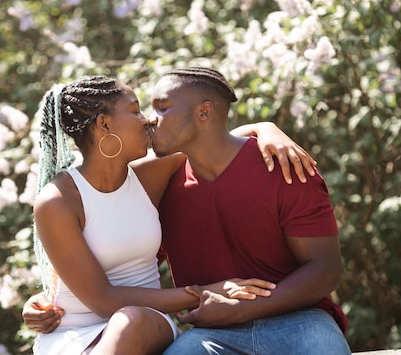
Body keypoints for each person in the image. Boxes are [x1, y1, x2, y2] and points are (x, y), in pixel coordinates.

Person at [26, 74, 316, 355]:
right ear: (104, 124)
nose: (148, 119)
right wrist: (204, 292)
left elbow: (214, 140)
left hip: (147, 324)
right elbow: (103, 301)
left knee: (131, 321)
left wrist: (266, 128)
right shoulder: (58, 200)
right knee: (124, 322)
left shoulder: (147, 177)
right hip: (73, 333)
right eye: (136, 111)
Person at [149, 67, 350, 354]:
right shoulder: (160, 187)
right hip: (211, 334)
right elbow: (126, 269)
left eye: (162, 107)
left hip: (303, 322)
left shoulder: (284, 166)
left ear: (204, 112)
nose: (149, 118)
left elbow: (325, 269)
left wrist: (240, 309)